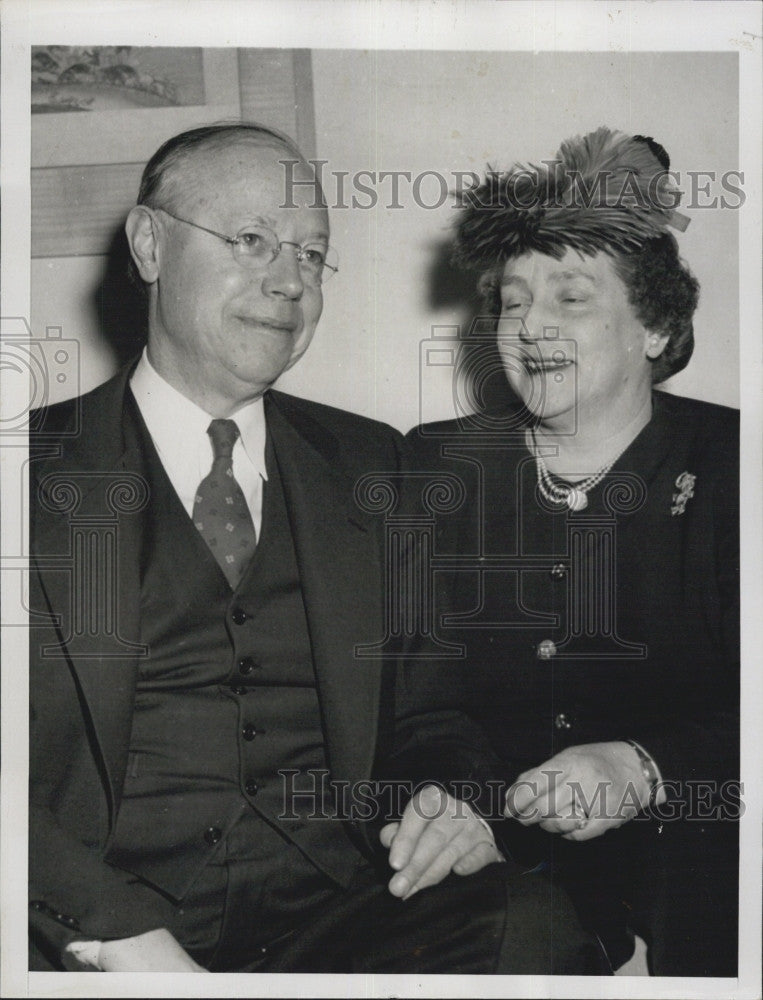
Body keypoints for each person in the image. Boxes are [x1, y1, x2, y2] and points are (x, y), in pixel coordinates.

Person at [28, 122, 603, 974]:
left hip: (338, 921)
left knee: (533, 923)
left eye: (311, 254)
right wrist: (112, 930)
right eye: (253, 240)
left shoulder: (376, 466)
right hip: (96, 929)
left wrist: (444, 800)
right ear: (150, 244)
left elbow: (429, 715)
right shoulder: (25, 470)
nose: (289, 280)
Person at [407, 127, 740, 975]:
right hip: (498, 882)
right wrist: (464, 802)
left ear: (657, 326)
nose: (529, 327)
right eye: (512, 301)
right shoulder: (434, 465)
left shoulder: (737, 464)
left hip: (705, 870)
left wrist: (647, 767)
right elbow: (409, 693)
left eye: (570, 297)